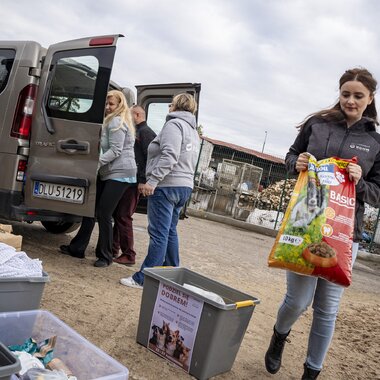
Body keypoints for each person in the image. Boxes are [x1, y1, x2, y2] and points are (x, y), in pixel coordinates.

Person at [264, 68, 380, 380]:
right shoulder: (317, 124)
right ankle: (279, 334)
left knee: (327, 309)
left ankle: (311, 372)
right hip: (305, 225)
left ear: (370, 99)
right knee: (298, 301)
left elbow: (378, 192)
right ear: (339, 93)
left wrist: (360, 183)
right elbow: (291, 156)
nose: (351, 101)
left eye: (358, 96)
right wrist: (296, 162)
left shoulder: (375, 142)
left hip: (345, 233)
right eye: (346, 94)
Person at [119, 93, 200, 288]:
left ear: (176, 106)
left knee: (159, 234)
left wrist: (152, 181)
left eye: (170, 104)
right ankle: (170, 273)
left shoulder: (174, 125)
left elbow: (170, 155)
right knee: (170, 231)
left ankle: (143, 278)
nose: (168, 107)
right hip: (184, 186)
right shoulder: (192, 130)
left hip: (167, 186)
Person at [60, 90, 137, 267]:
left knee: (103, 213)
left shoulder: (117, 121)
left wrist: (96, 164)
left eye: (112, 104)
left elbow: (116, 151)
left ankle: (105, 256)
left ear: (120, 105)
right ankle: (77, 248)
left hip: (120, 173)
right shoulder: (111, 120)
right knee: (91, 209)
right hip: (109, 171)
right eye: (107, 103)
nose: (108, 107)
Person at [112, 105, 156, 265]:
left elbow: (150, 158)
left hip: (136, 181)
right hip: (129, 178)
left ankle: (129, 254)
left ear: (137, 115)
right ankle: (113, 248)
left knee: (124, 215)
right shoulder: (136, 131)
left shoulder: (145, 133)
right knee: (119, 214)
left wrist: (143, 180)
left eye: (129, 115)